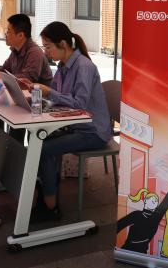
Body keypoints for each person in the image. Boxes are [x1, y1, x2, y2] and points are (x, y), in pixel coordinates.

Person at [33, 21, 111, 219]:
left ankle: (50, 205)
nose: (45, 52)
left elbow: (80, 104)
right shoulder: (63, 66)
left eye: (48, 47)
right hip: (76, 126)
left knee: (42, 148)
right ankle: (47, 192)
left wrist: (49, 93)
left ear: (63, 44)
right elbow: (57, 96)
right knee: (37, 140)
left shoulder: (84, 67)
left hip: (92, 131)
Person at [116, 172, 168, 253]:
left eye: (156, 200)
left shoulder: (156, 217)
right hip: (127, 250)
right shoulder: (136, 214)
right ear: (145, 201)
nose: (155, 201)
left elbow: (166, 201)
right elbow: (119, 224)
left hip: (142, 254)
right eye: (152, 199)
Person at [0, 14, 52, 86]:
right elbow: (5, 69)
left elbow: (27, 79)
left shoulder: (35, 52)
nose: (5, 34)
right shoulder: (16, 49)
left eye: (8, 31)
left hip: (38, 93)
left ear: (20, 35)